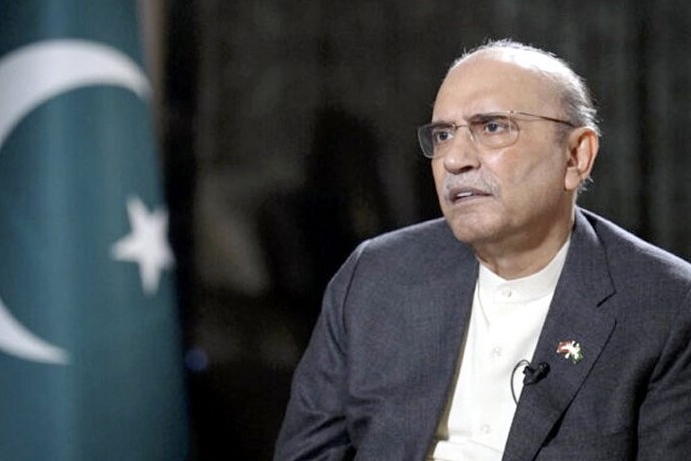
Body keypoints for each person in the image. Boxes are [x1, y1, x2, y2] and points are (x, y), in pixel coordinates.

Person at [273, 39, 691, 460]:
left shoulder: (666, 306)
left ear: (575, 156)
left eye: (492, 127)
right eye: (443, 135)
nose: (455, 160)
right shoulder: (376, 274)